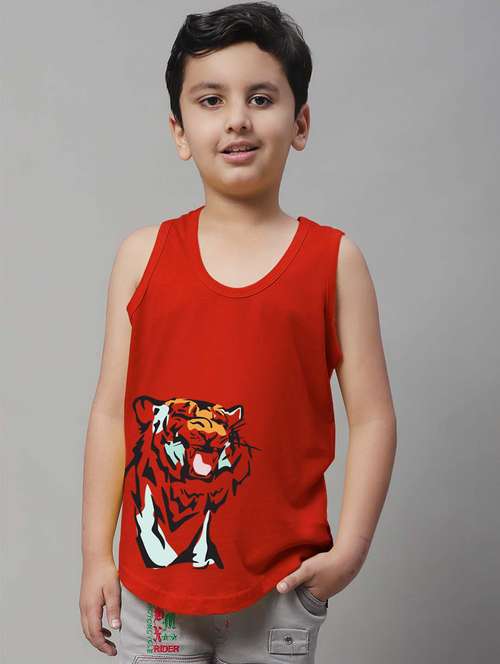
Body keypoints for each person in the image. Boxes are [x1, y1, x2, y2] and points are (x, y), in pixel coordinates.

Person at [79, 2, 397, 662]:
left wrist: (351, 551)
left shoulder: (334, 262)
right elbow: (112, 413)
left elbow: (372, 417)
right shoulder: (142, 256)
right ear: (179, 130)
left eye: (260, 97)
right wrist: (95, 556)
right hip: (152, 592)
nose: (237, 120)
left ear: (300, 122)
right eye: (211, 100)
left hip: (281, 588)